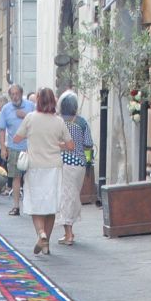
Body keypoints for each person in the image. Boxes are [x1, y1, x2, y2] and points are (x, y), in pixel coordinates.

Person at [14, 88, 71, 255]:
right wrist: (56, 144)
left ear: (37, 100)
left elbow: (17, 138)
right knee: (50, 206)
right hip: (53, 167)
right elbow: (70, 146)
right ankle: (46, 245)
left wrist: (32, 138)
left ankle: (41, 233)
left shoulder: (30, 118)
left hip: (35, 166)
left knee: (36, 204)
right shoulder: (59, 121)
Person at [56, 91, 94, 247]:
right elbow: (88, 143)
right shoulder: (82, 122)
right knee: (72, 196)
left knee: (66, 197)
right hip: (79, 164)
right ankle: (68, 231)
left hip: (64, 162)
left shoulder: (58, 122)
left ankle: (69, 233)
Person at [0, 84, 34, 214]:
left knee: (30, 177)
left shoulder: (30, 106)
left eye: (17, 94)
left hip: (30, 147)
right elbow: (2, 130)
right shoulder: (6, 109)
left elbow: (37, 122)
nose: (14, 97)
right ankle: (16, 206)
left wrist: (26, 116)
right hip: (14, 147)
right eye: (12, 95)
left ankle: (31, 206)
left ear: (21, 93)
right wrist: (3, 148)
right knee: (16, 177)